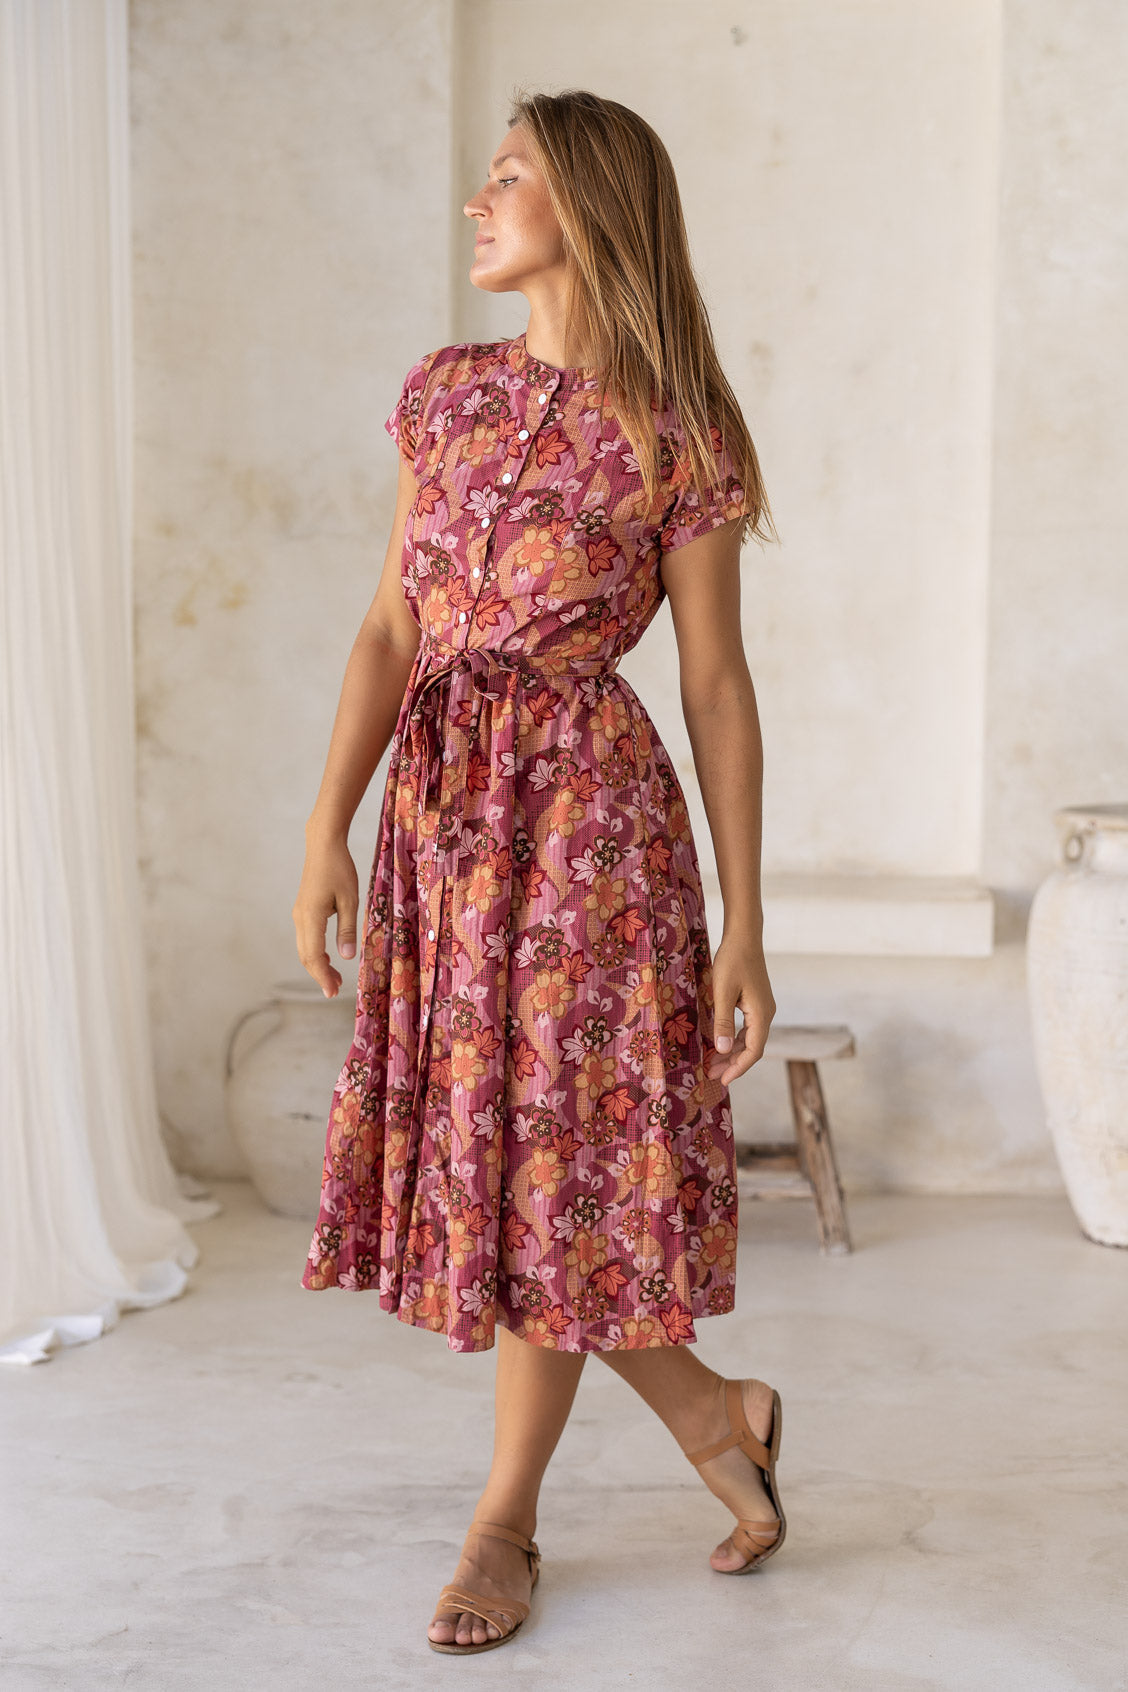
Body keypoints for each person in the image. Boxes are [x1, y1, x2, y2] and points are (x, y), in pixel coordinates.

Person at [291, 87, 782, 1656]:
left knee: (555, 1175)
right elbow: (389, 632)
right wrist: (326, 832)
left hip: (592, 845)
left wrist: (749, 918)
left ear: (588, 202)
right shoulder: (442, 398)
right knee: (505, 1175)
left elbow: (714, 686)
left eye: (508, 178)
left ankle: (505, 1521)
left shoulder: (679, 427)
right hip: (443, 836)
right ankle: (717, 1414)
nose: (476, 202)